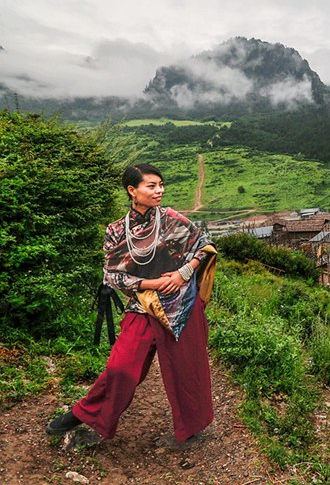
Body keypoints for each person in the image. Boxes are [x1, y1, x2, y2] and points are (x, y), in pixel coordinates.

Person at [46, 164, 218, 444]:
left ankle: (191, 430)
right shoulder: (115, 231)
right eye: (151, 186)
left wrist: (181, 273)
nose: (159, 190)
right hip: (143, 306)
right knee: (121, 368)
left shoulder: (172, 219)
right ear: (132, 191)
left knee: (188, 368)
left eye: (161, 184)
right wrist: (152, 284)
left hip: (181, 305)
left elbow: (204, 245)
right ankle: (85, 414)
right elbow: (112, 275)